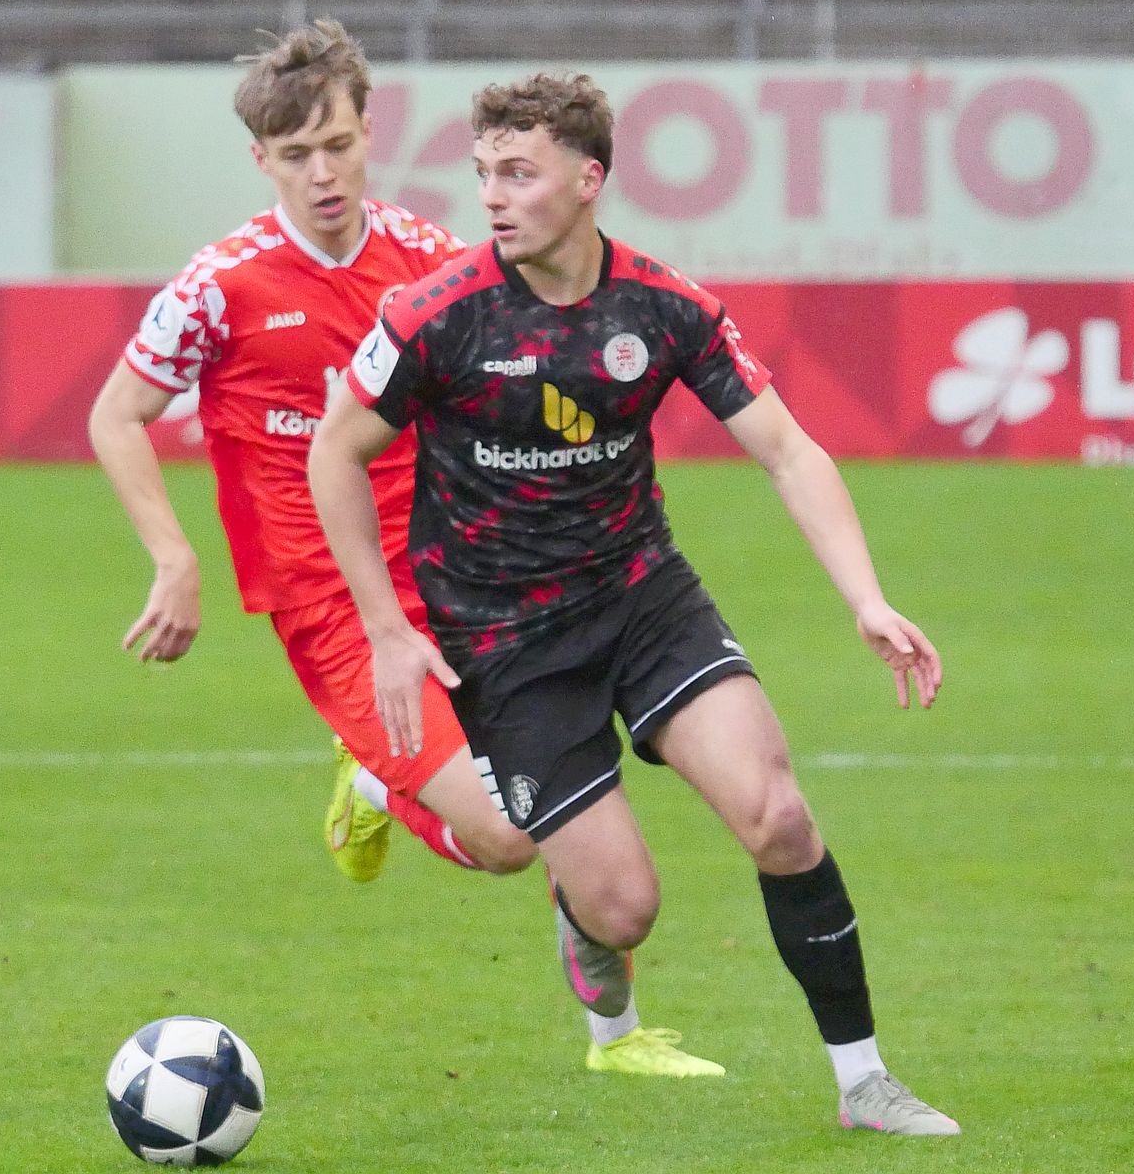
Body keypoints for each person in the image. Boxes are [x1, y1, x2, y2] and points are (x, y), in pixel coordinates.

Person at [310, 70, 960, 1135]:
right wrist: (388, 630)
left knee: (778, 815)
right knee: (625, 909)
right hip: (506, 642)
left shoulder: (662, 306)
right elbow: (334, 453)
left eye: (519, 173)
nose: (493, 196)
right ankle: (585, 938)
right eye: (483, 173)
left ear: (588, 178)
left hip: (643, 600)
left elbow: (789, 451)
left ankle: (865, 1082)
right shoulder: (435, 314)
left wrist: (867, 599)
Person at [88, 21, 720, 1076]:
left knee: (565, 800)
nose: (323, 173)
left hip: (463, 579)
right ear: (260, 159)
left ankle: (617, 1039)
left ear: (369, 132)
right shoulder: (219, 286)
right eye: (296, 155)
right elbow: (117, 414)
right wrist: (174, 557)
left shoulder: (427, 259)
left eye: (338, 144)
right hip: (332, 603)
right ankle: (374, 784)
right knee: (506, 836)